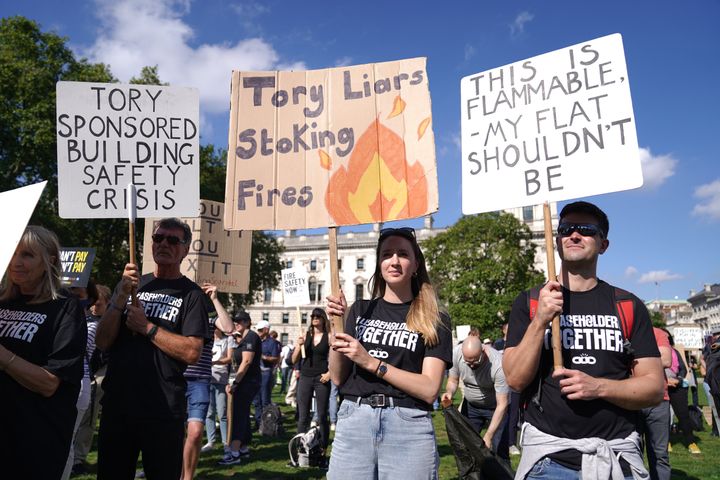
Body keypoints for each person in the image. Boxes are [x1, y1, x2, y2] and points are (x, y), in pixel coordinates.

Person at [503, 201, 664, 480]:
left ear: (604, 244)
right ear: (557, 241)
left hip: (616, 458)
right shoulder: (530, 302)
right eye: (566, 229)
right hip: (548, 460)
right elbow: (515, 379)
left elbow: (653, 388)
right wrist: (540, 320)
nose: (574, 235)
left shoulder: (627, 305)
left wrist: (598, 387)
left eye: (586, 230)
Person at [326, 226, 453, 479]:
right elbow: (338, 377)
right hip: (355, 418)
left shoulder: (434, 318)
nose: (394, 261)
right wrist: (335, 326)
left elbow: (429, 389)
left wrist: (373, 363)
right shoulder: (360, 310)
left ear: (415, 264)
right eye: (387, 254)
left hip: (407, 424)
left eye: (403, 254)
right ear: (379, 264)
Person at [95, 218, 209, 480]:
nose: (164, 244)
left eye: (172, 240)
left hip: (163, 410)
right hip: (118, 406)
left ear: (185, 249)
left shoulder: (191, 295)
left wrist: (147, 327)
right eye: (158, 238)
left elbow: (192, 352)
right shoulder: (132, 285)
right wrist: (120, 297)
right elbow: (102, 340)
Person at [0, 226, 86, 479]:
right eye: (13, 253)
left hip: (35, 439)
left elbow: (49, 384)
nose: (17, 262)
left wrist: (3, 357)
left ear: (49, 260)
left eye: (27, 255)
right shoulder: (2, 302)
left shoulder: (65, 309)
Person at [180, 283, 234, 480]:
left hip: (201, 380)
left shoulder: (210, 320)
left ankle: (187, 477)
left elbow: (229, 328)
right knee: (176, 433)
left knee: (195, 433)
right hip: (177, 380)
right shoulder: (180, 315)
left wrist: (214, 299)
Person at [441, 335, 510, 459]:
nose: (471, 365)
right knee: (467, 448)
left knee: (499, 450)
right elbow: (453, 380)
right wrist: (449, 392)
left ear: (483, 351)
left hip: (496, 408)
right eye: (468, 362)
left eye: (475, 361)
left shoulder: (499, 365)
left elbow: (502, 404)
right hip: (471, 407)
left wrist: (488, 436)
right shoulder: (456, 353)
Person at [72, 284, 112, 475]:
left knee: (88, 418)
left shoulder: (106, 323)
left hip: (98, 374)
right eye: (93, 304)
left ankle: (78, 457)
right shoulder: (86, 322)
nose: (95, 307)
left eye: (99, 304)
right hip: (86, 373)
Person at [220, 311, 262, 466]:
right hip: (243, 381)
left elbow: (246, 362)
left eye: (240, 321)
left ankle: (234, 452)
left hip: (248, 382)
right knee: (242, 414)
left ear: (247, 322)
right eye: (235, 320)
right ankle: (243, 448)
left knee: (238, 414)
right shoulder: (240, 339)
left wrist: (235, 383)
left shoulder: (251, 337)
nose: (236, 323)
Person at [292, 307, 332, 456]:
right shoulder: (305, 335)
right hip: (306, 377)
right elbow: (293, 359)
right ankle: (299, 451)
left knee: (321, 415)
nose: (315, 318)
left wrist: (330, 373)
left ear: (323, 319)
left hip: (321, 378)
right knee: (303, 416)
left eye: (318, 316)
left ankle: (322, 450)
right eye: (313, 316)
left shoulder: (329, 336)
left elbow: (337, 357)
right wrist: (298, 345)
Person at [202, 286, 236, 454]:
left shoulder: (227, 340)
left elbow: (229, 358)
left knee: (221, 412)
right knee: (209, 413)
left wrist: (215, 361)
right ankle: (210, 441)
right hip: (206, 378)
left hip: (221, 379)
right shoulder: (206, 336)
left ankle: (225, 442)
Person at [639, 327, 673, 480]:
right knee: (631, 452)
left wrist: (632, 357)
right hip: (630, 399)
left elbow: (666, 360)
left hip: (658, 401)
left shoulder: (657, 333)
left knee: (660, 454)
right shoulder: (622, 330)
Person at [663, 330, 701, 454]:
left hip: (676, 387)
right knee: (663, 416)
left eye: (666, 338)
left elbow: (683, 369)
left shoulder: (675, 352)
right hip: (661, 386)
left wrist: (678, 380)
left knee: (683, 415)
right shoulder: (655, 352)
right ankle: (666, 442)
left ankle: (691, 442)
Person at [252, 320, 280, 427]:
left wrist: (264, 357)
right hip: (256, 372)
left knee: (265, 399)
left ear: (266, 330)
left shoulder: (272, 342)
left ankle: (266, 424)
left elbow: (275, 358)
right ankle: (258, 422)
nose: (258, 332)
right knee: (256, 400)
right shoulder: (257, 341)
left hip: (266, 372)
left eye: (260, 330)